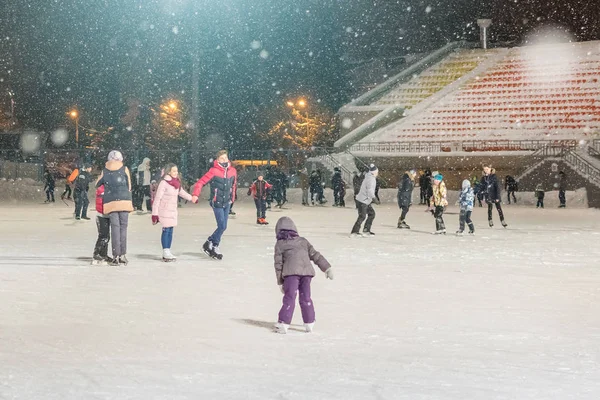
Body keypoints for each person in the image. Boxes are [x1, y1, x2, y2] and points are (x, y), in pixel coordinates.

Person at [273, 216, 333, 334]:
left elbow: (278, 264)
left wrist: (280, 281)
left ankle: (283, 323)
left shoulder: (280, 244)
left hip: (291, 274)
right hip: (307, 273)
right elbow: (315, 255)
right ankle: (309, 322)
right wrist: (327, 267)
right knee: (305, 297)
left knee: (290, 298)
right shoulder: (303, 241)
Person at [191, 150, 238, 260]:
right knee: (222, 226)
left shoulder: (233, 171)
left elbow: (234, 185)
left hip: (227, 202)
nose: (224, 160)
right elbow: (200, 182)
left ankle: (211, 244)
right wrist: (195, 194)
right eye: (222, 158)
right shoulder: (214, 171)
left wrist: (232, 198)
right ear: (217, 160)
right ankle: (212, 243)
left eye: (225, 158)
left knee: (223, 226)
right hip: (216, 202)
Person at [96, 150, 134, 266]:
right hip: (124, 201)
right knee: (123, 228)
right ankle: (123, 255)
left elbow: (97, 184)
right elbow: (129, 185)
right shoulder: (124, 168)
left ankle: (115, 256)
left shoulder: (105, 170)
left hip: (111, 202)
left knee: (115, 229)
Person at [151, 163, 193, 262]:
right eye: (174, 171)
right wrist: (154, 214)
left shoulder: (176, 183)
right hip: (164, 210)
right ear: (169, 172)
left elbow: (181, 192)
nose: (176, 173)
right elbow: (157, 199)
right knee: (166, 230)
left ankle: (168, 250)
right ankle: (165, 251)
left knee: (170, 230)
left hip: (173, 210)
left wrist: (192, 198)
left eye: (176, 171)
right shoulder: (164, 183)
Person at [351, 163, 379, 237]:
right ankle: (354, 232)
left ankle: (366, 230)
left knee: (371, 214)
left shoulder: (369, 177)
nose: (377, 173)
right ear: (374, 172)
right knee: (362, 216)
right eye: (376, 172)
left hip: (365, 200)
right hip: (363, 200)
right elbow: (369, 190)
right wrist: (374, 198)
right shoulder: (371, 179)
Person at [91, 184, 111, 265]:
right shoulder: (103, 189)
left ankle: (103, 254)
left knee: (106, 236)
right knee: (103, 236)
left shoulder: (105, 188)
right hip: (102, 216)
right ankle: (97, 254)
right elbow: (101, 204)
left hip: (105, 215)